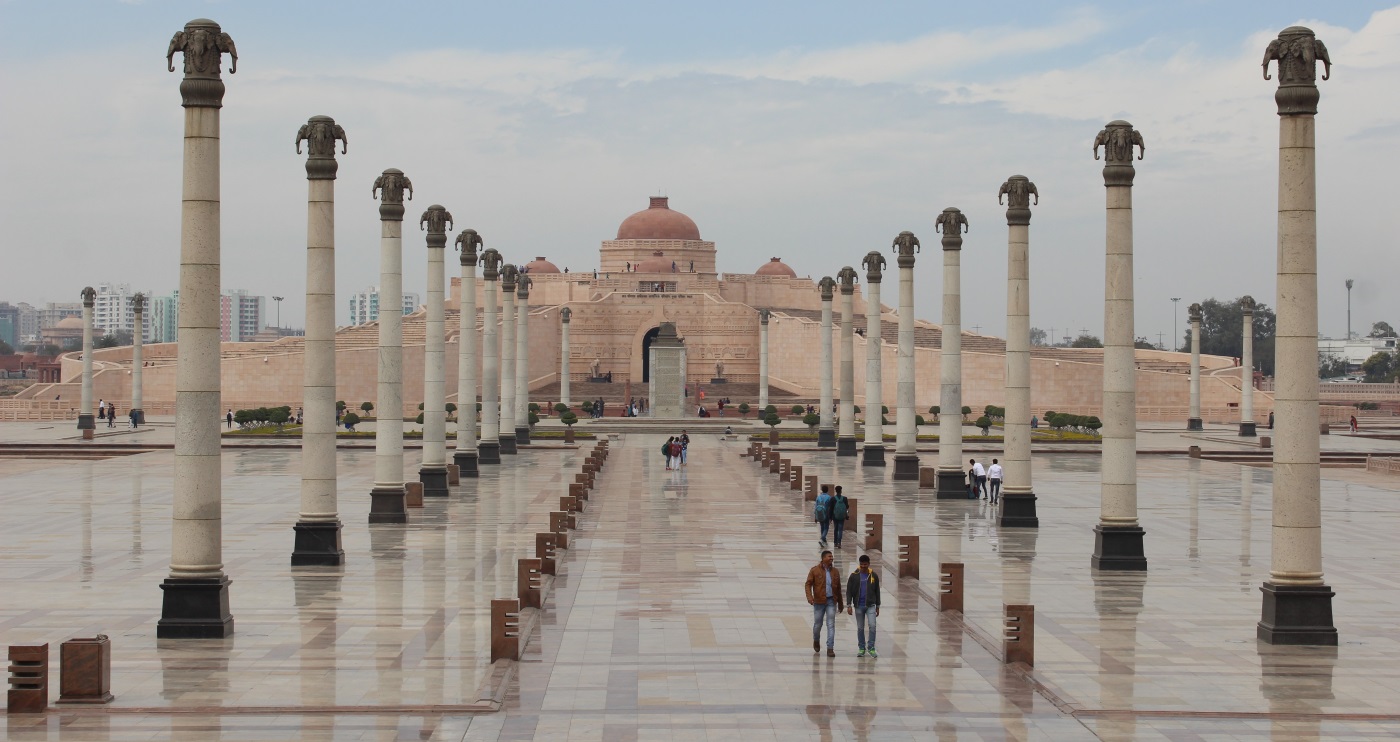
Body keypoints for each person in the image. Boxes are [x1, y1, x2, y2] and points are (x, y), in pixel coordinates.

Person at [804, 550, 844, 657]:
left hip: (831, 601)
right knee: (818, 624)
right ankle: (816, 640)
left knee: (831, 624)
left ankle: (830, 648)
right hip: (819, 602)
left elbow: (838, 588)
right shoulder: (815, 570)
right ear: (823, 558)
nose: (831, 558)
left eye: (832, 557)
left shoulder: (835, 571)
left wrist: (840, 603)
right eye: (829, 556)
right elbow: (808, 584)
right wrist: (810, 597)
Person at [846, 554, 880, 658]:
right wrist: (849, 605)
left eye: (865, 564)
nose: (863, 566)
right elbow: (849, 591)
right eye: (862, 564)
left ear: (869, 564)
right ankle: (861, 647)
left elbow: (877, 591)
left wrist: (878, 605)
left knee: (872, 626)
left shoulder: (873, 575)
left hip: (870, 605)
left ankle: (871, 647)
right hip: (858, 606)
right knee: (860, 628)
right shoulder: (854, 575)